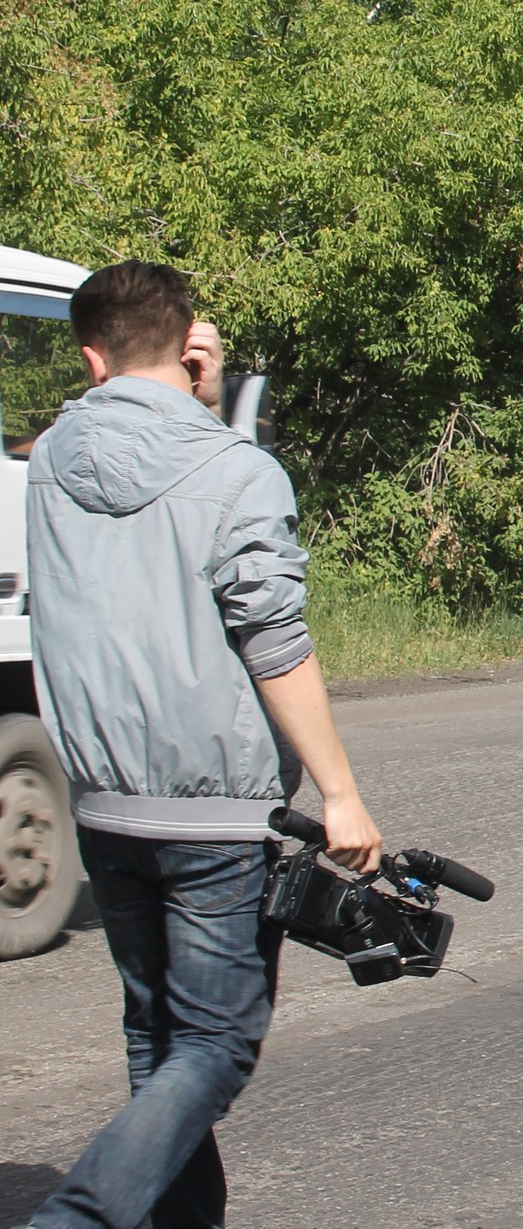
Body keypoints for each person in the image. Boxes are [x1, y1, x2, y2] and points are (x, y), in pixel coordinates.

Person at [27, 262, 380, 1229]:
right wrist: (342, 792)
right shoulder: (237, 468)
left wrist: (196, 396)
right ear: (188, 347)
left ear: (90, 355)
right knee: (217, 1046)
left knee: (158, 1037)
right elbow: (272, 639)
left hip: (102, 802)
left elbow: (138, 452)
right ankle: (82, 1217)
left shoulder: (51, 460)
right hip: (213, 813)